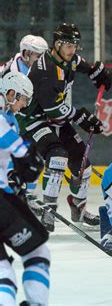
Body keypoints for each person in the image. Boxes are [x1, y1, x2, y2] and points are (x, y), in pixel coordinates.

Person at [16, 23, 112, 232]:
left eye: (75, 45)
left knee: (83, 164)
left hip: (58, 119)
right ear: (56, 45)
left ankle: (79, 208)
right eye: (67, 45)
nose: (72, 49)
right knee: (58, 156)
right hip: (35, 121)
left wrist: (96, 72)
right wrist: (81, 116)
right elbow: (52, 109)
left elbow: (81, 64)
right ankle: (49, 210)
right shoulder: (45, 69)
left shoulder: (69, 58)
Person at [0, 71, 49, 306]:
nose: (22, 106)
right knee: (38, 254)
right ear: (10, 93)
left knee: (2, 273)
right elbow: (28, 161)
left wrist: (12, 174)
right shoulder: (3, 120)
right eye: (22, 100)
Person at [0, 34, 49, 217]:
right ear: (26, 53)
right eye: (38, 56)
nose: (40, 61)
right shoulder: (11, 74)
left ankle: (26, 194)